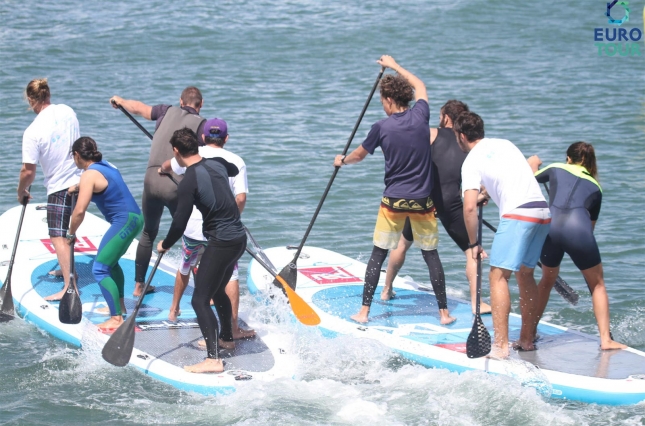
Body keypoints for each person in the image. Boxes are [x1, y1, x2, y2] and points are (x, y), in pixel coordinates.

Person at [334, 55, 455, 325]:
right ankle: (444, 314)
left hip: (393, 202)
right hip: (423, 201)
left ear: (389, 100)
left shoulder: (381, 127)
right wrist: (395, 66)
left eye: (382, 102)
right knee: (430, 254)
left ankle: (364, 312)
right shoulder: (421, 115)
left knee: (379, 253)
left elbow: (359, 156)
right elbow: (420, 85)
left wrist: (341, 161)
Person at [381, 100, 492, 315]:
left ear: (446, 118)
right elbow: (480, 186)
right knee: (472, 252)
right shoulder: (468, 145)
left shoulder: (431, 134)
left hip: (424, 200)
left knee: (402, 244)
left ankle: (386, 289)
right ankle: (477, 304)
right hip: (452, 202)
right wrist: (481, 197)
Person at [456, 111, 551, 358]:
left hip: (518, 215)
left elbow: (467, 207)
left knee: (498, 276)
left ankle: (500, 346)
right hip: (541, 211)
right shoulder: (505, 144)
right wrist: (487, 195)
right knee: (526, 274)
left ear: (462, 136)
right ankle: (527, 340)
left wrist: (474, 243)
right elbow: (512, 177)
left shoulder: (470, 161)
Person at [157, 128, 246, 374]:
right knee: (217, 290)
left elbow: (180, 222)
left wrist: (165, 244)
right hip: (238, 239)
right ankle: (226, 337)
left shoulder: (188, 182)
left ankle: (213, 359)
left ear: (176, 151)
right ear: (198, 146)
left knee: (199, 299)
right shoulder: (217, 163)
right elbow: (233, 171)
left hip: (221, 243)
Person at [528, 143, 626, 350]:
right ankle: (606, 340)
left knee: (546, 280)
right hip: (578, 231)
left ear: (568, 158)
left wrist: (533, 163)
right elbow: (590, 228)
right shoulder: (595, 187)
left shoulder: (555, 168)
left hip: (551, 228)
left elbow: (529, 178)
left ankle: (529, 333)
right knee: (597, 285)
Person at [110, 87, 205, 297]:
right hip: (174, 185)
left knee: (148, 233)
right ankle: (204, 290)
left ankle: (138, 286)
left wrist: (121, 101)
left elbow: (140, 109)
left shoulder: (165, 110)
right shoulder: (201, 125)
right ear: (201, 104)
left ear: (181, 101)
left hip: (150, 181)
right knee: (192, 236)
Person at [66, 137, 143, 330]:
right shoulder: (106, 165)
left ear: (76, 155)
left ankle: (116, 318)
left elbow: (80, 211)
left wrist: (70, 233)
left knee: (99, 269)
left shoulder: (88, 175)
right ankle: (120, 307)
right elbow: (102, 184)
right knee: (112, 263)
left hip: (123, 221)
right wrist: (76, 187)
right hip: (135, 219)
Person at [17, 78, 82, 301]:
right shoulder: (67, 111)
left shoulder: (32, 131)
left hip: (60, 187)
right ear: (48, 94)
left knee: (57, 236)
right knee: (70, 230)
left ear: (30, 99)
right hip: (82, 181)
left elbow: (28, 171)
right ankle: (69, 270)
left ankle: (69, 286)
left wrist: (21, 191)